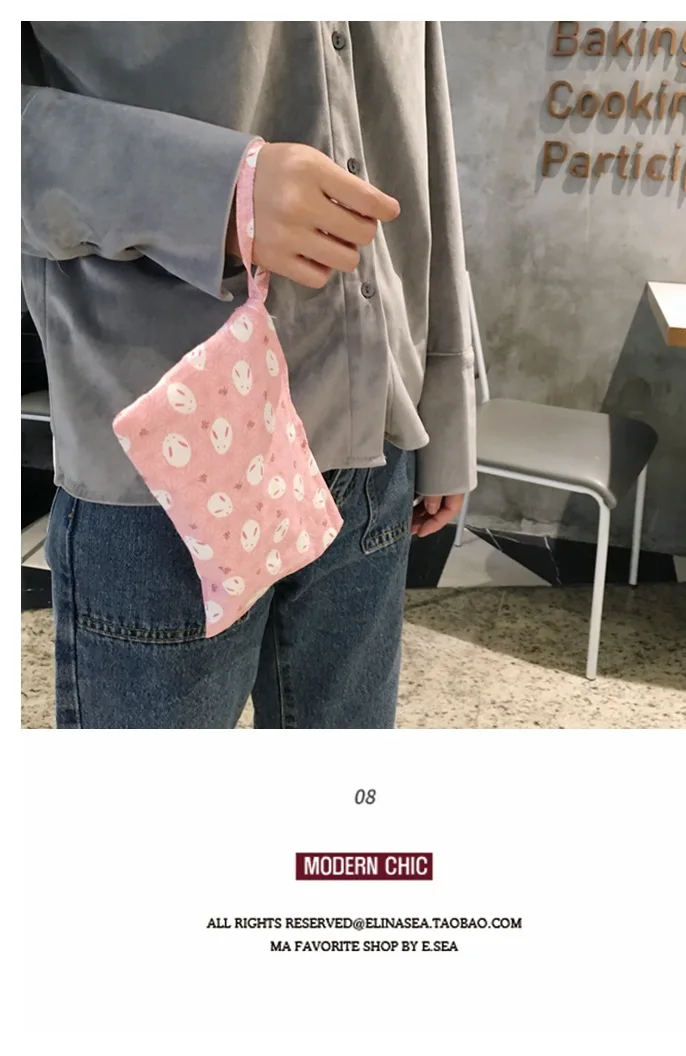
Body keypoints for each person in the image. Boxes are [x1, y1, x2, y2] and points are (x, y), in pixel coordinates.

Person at [21, 22, 476, 729]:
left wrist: (447, 399)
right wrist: (209, 187)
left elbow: (422, 144)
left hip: (375, 444)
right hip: (167, 475)